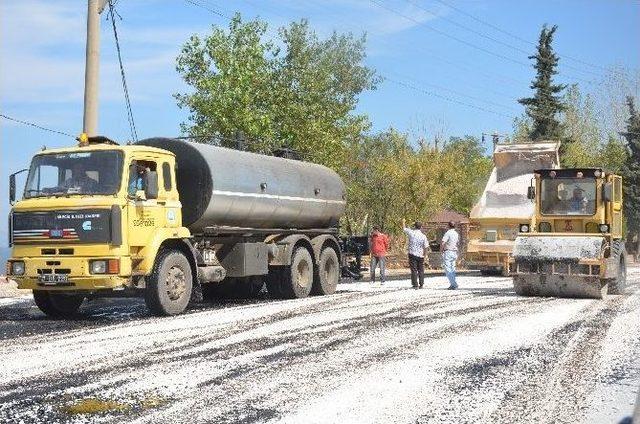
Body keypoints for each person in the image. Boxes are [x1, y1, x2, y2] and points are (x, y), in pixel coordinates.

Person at [402, 218, 429, 289]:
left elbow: (404, 229)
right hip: (420, 255)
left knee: (414, 269)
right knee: (421, 270)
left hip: (412, 254)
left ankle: (415, 284)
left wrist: (403, 221)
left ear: (414, 226)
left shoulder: (411, 233)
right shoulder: (423, 236)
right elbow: (426, 247)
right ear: (421, 227)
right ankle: (421, 284)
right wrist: (425, 255)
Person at [441, 221, 460, 290]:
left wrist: (441, 250)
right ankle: (452, 284)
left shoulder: (448, 233)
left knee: (448, 269)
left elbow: (443, 242)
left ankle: (454, 284)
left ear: (448, 226)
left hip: (448, 252)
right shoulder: (456, 233)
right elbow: (457, 243)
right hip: (454, 252)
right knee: (453, 269)